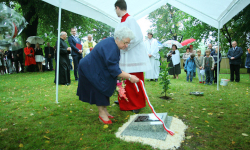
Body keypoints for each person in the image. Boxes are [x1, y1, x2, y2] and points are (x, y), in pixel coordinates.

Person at [77, 27, 139, 124]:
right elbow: (114, 70)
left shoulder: (113, 42)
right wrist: (130, 77)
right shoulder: (111, 47)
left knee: (105, 84)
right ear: (118, 38)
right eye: (125, 42)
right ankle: (102, 113)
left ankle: (105, 110)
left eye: (128, 43)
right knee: (100, 87)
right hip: (89, 68)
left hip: (96, 67)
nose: (126, 45)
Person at [114, 0, 151, 113]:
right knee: (123, 78)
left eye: (115, 9)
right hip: (124, 55)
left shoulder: (130, 19)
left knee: (134, 78)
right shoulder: (120, 21)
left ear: (117, 8)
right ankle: (124, 100)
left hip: (132, 56)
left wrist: (125, 47)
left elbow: (138, 37)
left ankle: (137, 104)